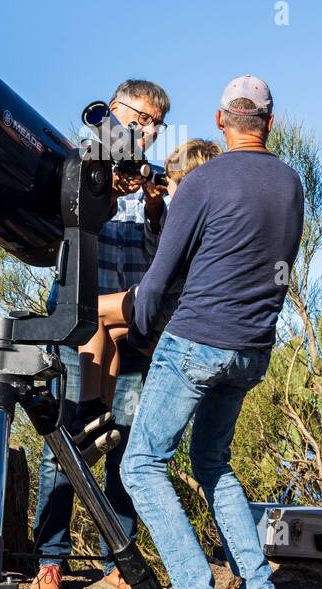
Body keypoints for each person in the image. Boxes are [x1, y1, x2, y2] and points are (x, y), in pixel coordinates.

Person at [120, 77, 304, 589]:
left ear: (222, 121)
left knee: (141, 465)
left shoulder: (203, 180)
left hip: (197, 340)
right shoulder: (291, 183)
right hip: (253, 349)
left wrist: (145, 335)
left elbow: (157, 282)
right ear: (269, 124)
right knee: (212, 463)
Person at [28, 78, 170, 589]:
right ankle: (50, 563)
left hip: (135, 328)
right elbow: (55, 230)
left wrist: (156, 205)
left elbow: (166, 254)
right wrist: (110, 186)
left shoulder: (153, 179)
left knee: (127, 443)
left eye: (156, 122)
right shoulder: (81, 162)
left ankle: (120, 562)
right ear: (113, 112)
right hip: (79, 322)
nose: (148, 130)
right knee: (62, 442)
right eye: (140, 118)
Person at [77, 139, 223, 403]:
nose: (168, 187)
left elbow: (161, 274)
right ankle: (101, 418)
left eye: (173, 181)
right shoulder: (218, 213)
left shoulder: (189, 214)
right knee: (109, 331)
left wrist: (144, 329)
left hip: (167, 302)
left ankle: (88, 407)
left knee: (88, 310)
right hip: (185, 307)